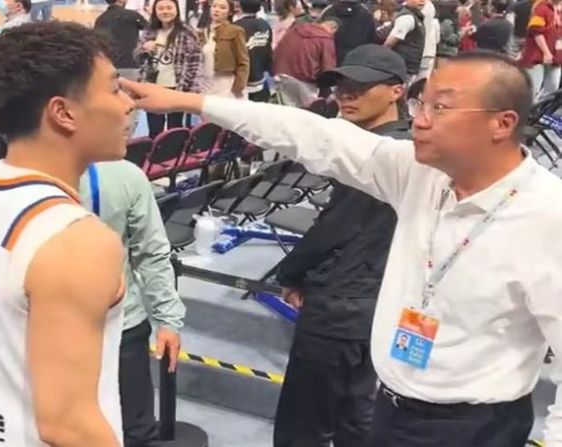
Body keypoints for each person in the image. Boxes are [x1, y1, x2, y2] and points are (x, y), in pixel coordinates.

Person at [123, 50, 562, 447]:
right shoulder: (420, 174)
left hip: (474, 428)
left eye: (441, 108)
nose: (422, 120)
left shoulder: (546, 218)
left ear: (502, 123)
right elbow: (312, 134)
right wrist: (191, 102)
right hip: (392, 406)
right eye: (421, 104)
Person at [0, 22, 134, 446]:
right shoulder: (75, 240)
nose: (129, 104)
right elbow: (67, 424)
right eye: (115, 89)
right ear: (64, 113)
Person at [273, 44, 410, 447]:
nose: (347, 96)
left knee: (305, 425)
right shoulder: (409, 144)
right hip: (384, 300)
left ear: (396, 91)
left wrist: (291, 273)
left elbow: (335, 227)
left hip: (343, 307)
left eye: (361, 87)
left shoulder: (379, 154)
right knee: (358, 415)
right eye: (341, 87)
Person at [80, 160, 185, 446]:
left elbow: (151, 252)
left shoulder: (124, 175)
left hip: (122, 325)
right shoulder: (23, 178)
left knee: (135, 430)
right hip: (49, 331)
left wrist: (168, 319)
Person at [136, 0, 201, 137]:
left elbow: (195, 61)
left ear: (176, 10)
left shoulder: (187, 32)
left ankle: (174, 151)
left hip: (177, 87)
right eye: (161, 8)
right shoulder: (149, 31)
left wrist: (191, 89)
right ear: (155, 11)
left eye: (169, 8)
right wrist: (144, 49)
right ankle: (155, 150)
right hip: (153, 86)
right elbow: (137, 57)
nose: (165, 11)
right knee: (154, 129)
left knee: (175, 128)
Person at [273, 17, 338, 107]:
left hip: (283, 74)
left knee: (288, 110)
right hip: (306, 80)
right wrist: (327, 86)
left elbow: (278, 50)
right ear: (333, 28)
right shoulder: (325, 39)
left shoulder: (294, 31)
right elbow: (328, 66)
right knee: (309, 110)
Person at [198, 0, 250, 98]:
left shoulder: (236, 31)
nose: (216, 10)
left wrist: (239, 87)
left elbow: (243, 62)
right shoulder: (202, 32)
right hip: (205, 84)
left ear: (230, 12)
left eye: (222, 8)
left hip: (227, 84)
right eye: (214, 6)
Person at [94, 0, 148, 81]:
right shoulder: (132, 15)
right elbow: (151, 28)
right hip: (129, 65)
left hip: (107, 65)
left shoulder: (100, 19)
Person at [520, 0, 562, 99]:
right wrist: (546, 52)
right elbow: (536, 31)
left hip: (557, 56)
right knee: (533, 88)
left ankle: (543, 108)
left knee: (552, 89)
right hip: (537, 56)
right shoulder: (541, 8)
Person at [234, 0, 273, 102]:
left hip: (241, 82)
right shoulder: (265, 25)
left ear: (240, 6)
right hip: (260, 78)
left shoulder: (235, 27)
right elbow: (268, 51)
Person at [320, 0, 377, 64]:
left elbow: (318, 35)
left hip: (332, 58)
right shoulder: (366, 12)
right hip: (358, 59)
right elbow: (372, 37)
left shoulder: (328, 11)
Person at [384, 0, 426, 80]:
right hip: (402, 68)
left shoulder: (417, 16)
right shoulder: (407, 18)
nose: (422, 1)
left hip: (409, 66)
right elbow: (390, 42)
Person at [418, 0, 440, 79]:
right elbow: (437, 40)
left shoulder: (425, 6)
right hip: (428, 52)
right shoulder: (434, 20)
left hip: (420, 52)